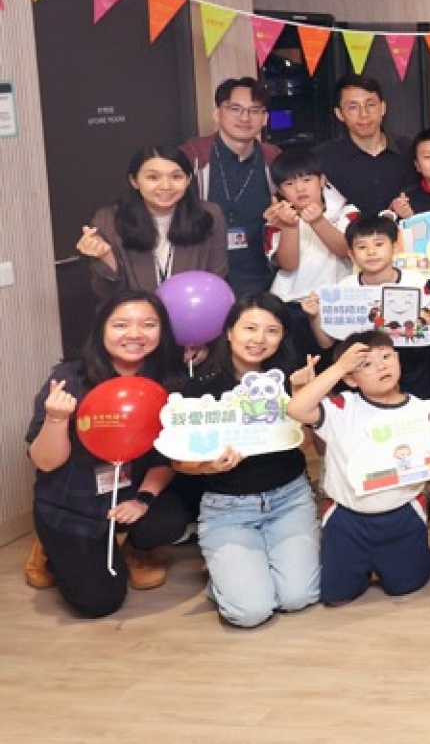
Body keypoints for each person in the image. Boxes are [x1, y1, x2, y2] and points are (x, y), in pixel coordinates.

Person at [24, 292, 192, 616]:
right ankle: (49, 550)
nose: (135, 334)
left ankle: (133, 549)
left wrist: (142, 500)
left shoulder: (170, 381)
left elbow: (167, 455)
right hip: (74, 503)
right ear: (102, 329)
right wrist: (56, 419)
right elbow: (45, 462)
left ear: (162, 331)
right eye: (121, 324)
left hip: (129, 491)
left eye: (148, 324)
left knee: (170, 517)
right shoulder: (69, 378)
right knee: (99, 603)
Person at [168, 295, 321, 628]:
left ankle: (250, 571)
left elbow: (306, 441)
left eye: (272, 330)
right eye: (250, 328)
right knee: (250, 612)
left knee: (297, 597)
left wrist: (301, 397)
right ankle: (228, 578)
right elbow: (178, 461)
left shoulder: (289, 378)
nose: (259, 339)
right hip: (228, 508)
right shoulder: (202, 387)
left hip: (289, 499)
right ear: (229, 332)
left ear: (282, 336)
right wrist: (208, 467)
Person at [285, 332, 430, 606]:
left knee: (406, 587)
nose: (381, 366)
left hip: (402, 514)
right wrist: (338, 368)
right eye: (366, 364)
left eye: (387, 357)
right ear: (350, 379)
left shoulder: (421, 410)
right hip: (348, 519)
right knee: (335, 596)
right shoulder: (342, 407)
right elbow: (296, 408)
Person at [301, 213, 430, 402]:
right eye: (362, 247)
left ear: (395, 247)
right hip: (363, 369)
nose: (371, 252)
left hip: (411, 364)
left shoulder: (416, 282)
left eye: (379, 244)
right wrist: (314, 316)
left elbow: (428, 325)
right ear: (351, 254)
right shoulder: (344, 289)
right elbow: (326, 343)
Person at [77, 145, 228, 301]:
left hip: (193, 312)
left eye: (176, 177)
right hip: (136, 314)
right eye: (153, 178)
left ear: (188, 179)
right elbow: (107, 294)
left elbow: (217, 280)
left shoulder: (209, 215)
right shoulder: (109, 220)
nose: (166, 186)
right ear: (134, 181)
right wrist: (105, 257)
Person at [180, 76, 282, 297]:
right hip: (204, 279)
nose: (245, 117)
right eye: (235, 109)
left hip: (262, 279)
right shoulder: (193, 156)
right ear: (217, 114)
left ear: (265, 118)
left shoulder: (273, 158)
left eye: (255, 111)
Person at [264, 148, 356, 359]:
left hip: (339, 305)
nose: (300, 188)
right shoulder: (276, 221)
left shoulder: (346, 212)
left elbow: (346, 251)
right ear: (280, 190)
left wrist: (318, 221)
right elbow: (288, 264)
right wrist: (289, 226)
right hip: (293, 305)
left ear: (322, 180)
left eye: (307, 180)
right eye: (289, 184)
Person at [315, 76, 414, 220]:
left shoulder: (410, 150)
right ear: (339, 114)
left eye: (371, 105)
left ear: (383, 108)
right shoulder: (322, 159)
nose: (364, 114)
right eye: (353, 107)